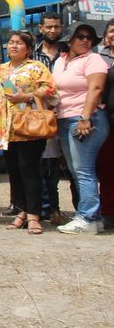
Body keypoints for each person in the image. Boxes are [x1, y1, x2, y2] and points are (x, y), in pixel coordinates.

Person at [0, 31, 57, 235]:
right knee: (14, 171)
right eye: (11, 42)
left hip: (29, 126)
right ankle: (21, 211)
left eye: (19, 43)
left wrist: (27, 96)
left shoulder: (36, 67)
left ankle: (34, 215)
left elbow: (50, 90)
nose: (13, 46)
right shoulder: (2, 69)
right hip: (7, 127)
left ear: (28, 49)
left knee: (29, 170)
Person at [52, 22, 109, 235]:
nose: (85, 40)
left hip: (86, 119)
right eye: (80, 36)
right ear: (69, 39)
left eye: (89, 37)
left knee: (83, 171)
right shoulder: (60, 60)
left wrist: (85, 117)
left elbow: (96, 88)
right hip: (65, 119)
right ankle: (95, 218)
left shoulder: (93, 59)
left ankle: (87, 218)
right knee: (76, 171)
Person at [32, 11, 71, 224]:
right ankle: (43, 208)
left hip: (66, 113)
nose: (53, 30)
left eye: (56, 26)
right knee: (40, 163)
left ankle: (59, 208)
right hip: (37, 116)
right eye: (49, 26)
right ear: (41, 28)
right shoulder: (32, 53)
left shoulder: (69, 52)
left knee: (64, 166)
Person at [95, 18, 114, 231]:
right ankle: (109, 212)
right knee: (107, 168)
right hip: (107, 119)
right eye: (112, 31)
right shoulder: (98, 58)